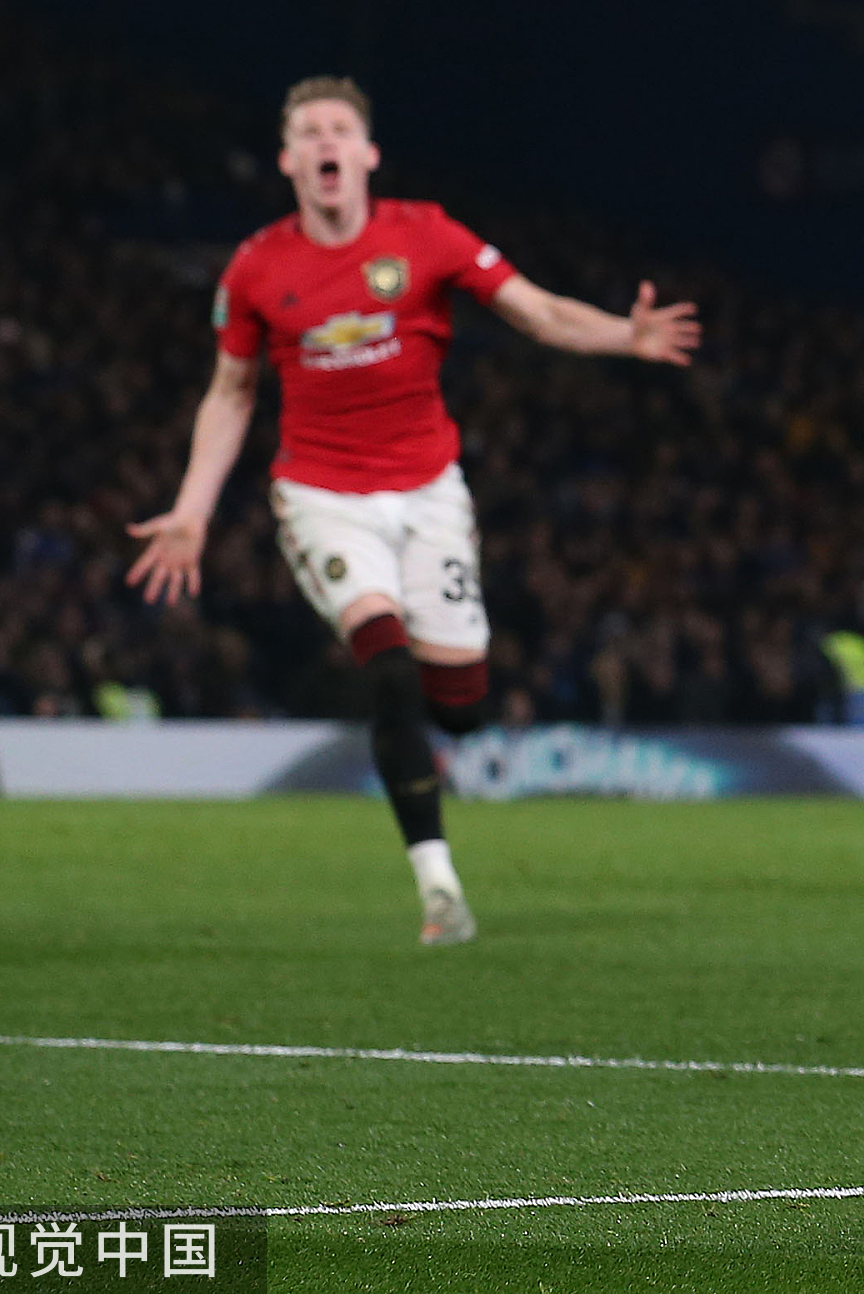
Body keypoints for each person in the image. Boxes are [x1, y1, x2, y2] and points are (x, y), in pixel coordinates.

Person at [125, 77, 699, 944]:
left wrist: (626, 333)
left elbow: (537, 311)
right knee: (388, 665)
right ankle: (439, 888)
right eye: (309, 131)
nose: (325, 141)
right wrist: (191, 510)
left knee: (459, 704)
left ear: (367, 153)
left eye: (339, 128)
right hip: (322, 497)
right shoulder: (256, 266)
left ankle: (436, 740)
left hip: (429, 491)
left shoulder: (425, 234)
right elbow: (231, 392)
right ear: (288, 160)